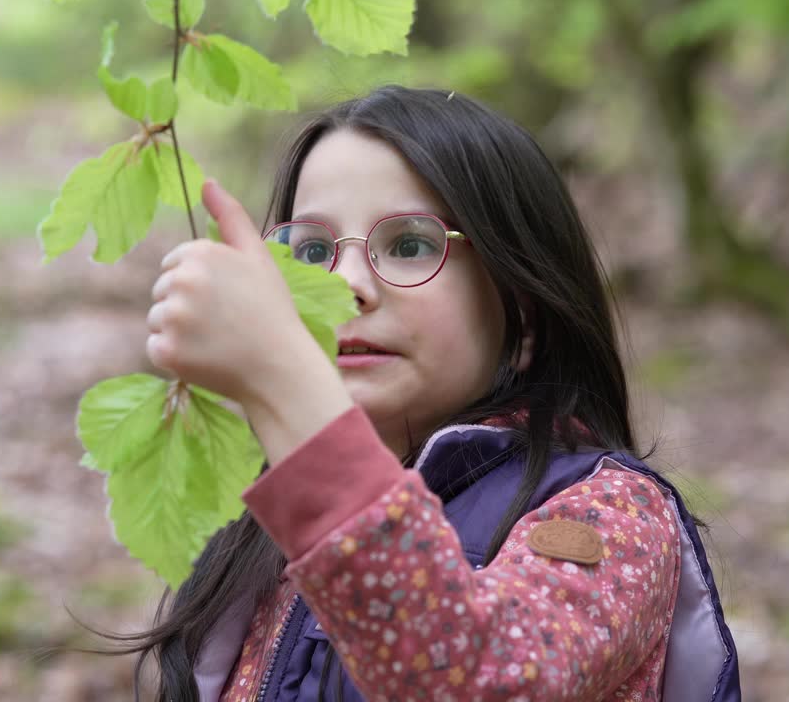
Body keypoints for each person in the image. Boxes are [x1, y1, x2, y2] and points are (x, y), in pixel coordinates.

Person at [123, 86, 740, 701]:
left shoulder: (613, 512)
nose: (348, 287)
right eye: (312, 251)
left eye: (410, 244)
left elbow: (480, 681)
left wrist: (284, 384)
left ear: (522, 315)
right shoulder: (262, 529)